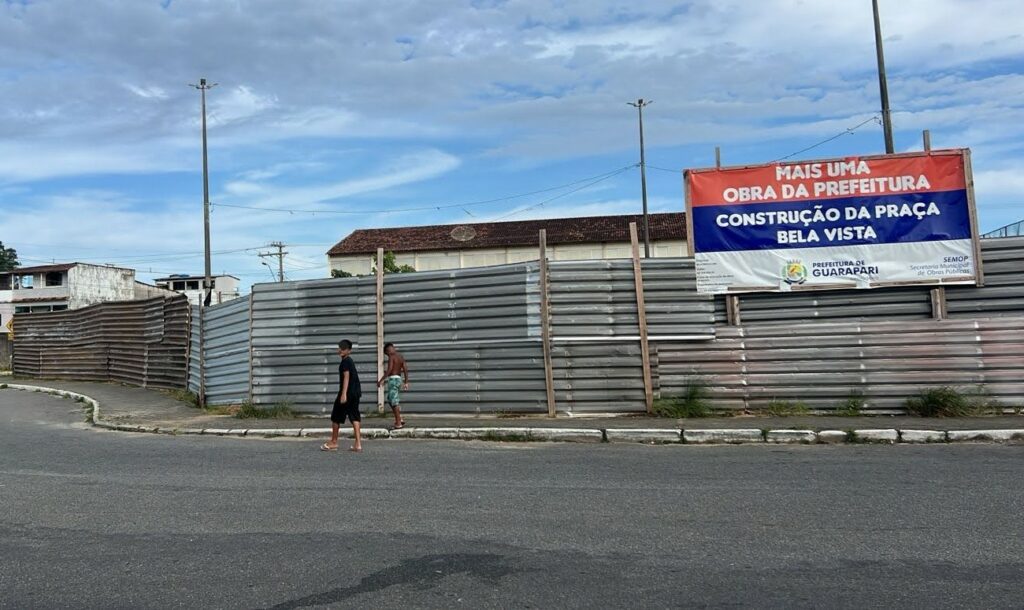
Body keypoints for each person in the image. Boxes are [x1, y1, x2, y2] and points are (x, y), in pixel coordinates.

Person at [322, 339, 362, 452]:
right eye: (340, 347)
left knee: (336, 416)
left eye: (343, 348)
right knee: (354, 416)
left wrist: (343, 394)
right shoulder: (350, 361)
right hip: (355, 392)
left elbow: (346, 377)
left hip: (348, 393)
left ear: (349, 351)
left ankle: (334, 442)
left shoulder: (345, 362)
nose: (340, 350)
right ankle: (358, 444)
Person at [377, 342, 409, 430]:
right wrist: (406, 382)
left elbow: (390, 369)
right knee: (390, 399)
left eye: (386, 354)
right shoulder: (400, 357)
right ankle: (399, 418)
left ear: (387, 351)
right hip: (399, 380)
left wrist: (381, 379)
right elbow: (405, 369)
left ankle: (398, 423)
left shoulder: (392, 357)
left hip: (393, 380)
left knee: (393, 401)